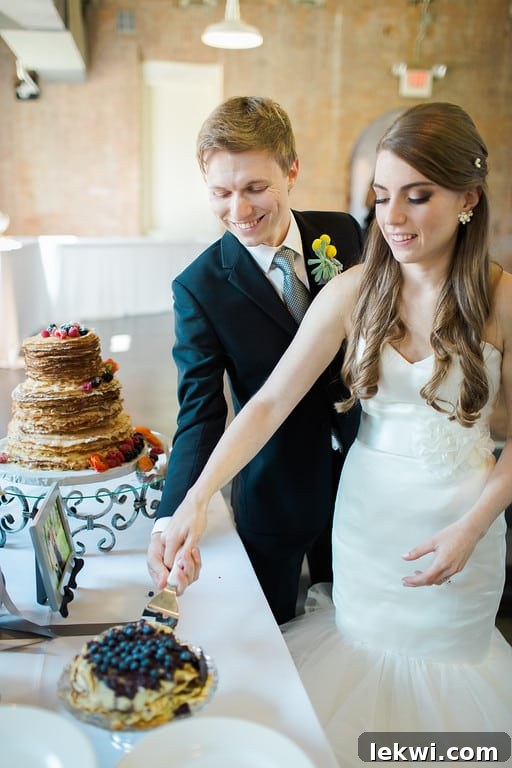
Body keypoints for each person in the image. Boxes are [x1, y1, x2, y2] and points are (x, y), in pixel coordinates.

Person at [151, 102, 512, 764]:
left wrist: (474, 525)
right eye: (380, 198)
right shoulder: (353, 291)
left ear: (468, 198)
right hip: (362, 519)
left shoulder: (499, 298)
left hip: (464, 523)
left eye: (417, 196)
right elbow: (262, 404)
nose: (393, 220)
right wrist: (195, 499)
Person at [147, 96, 363, 624]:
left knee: (358, 625)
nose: (238, 212)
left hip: (363, 474)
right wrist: (174, 515)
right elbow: (199, 412)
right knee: (277, 633)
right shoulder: (198, 288)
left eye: (255, 189)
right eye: (220, 193)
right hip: (274, 488)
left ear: (292, 170)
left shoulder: (343, 234)